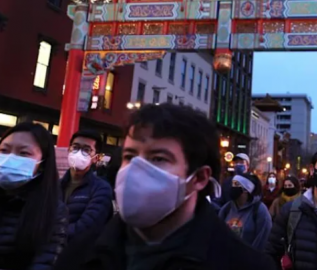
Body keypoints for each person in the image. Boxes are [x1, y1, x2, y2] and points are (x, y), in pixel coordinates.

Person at [81, 103, 275, 270]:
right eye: (130, 156)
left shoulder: (244, 264)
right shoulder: (83, 253)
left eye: (158, 158)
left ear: (199, 177)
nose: (135, 170)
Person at [0, 122, 67, 270]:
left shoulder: (52, 209)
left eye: (24, 153)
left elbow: (46, 261)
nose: (10, 158)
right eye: (4, 150)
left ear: (42, 162)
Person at [60, 130, 113, 240]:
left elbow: (87, 227)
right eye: (75, 147)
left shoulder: (101, 189)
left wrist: (52, 234)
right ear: (68, 150)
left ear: (96, 158)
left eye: (86, 150)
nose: (79, 153)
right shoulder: (55, 185)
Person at [220, 173, 273, 251]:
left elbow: (263, 239)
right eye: (232, 184)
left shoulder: (259, 210)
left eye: (236, 184)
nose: (232, 187)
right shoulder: (226, 208)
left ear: (246, 189)